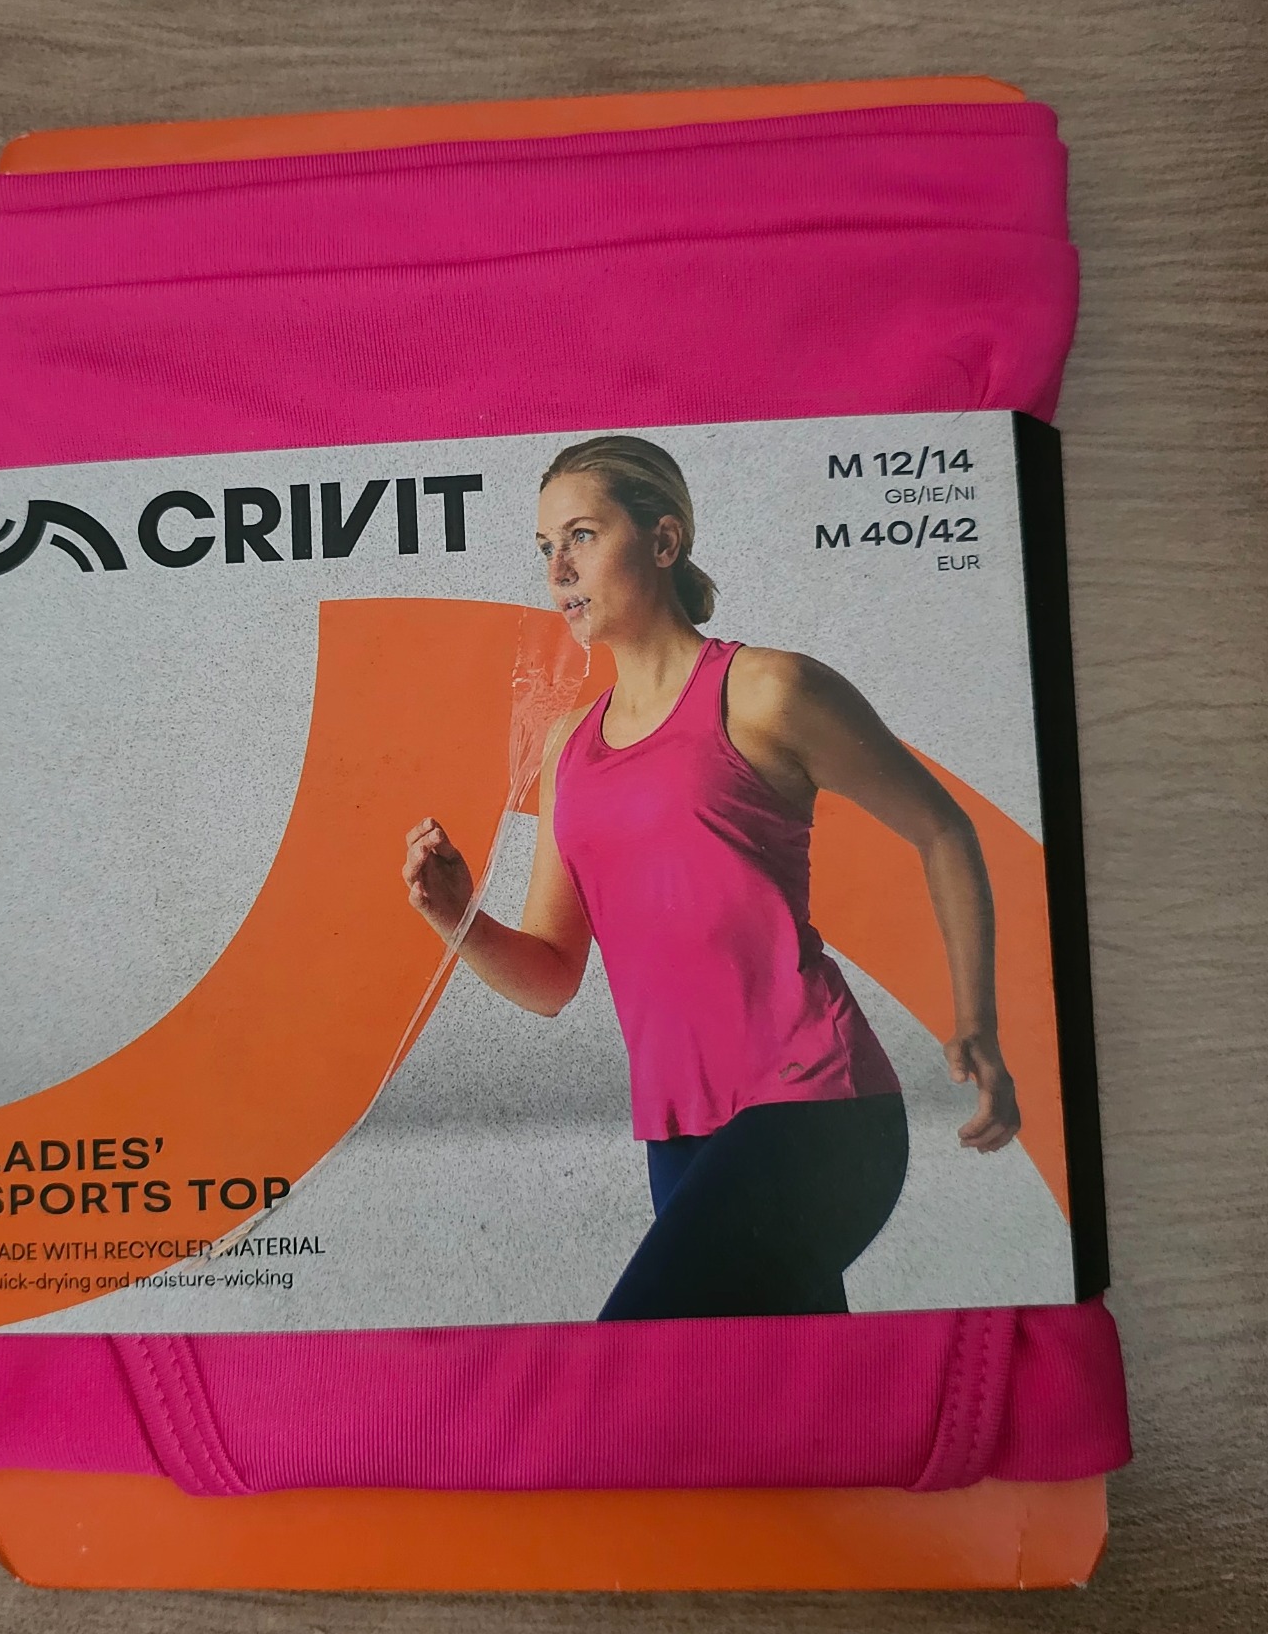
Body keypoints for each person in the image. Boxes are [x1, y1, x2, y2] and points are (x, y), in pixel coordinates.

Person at [403, 434, 1020, 1320]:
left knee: (634, 1360)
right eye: (545, 547)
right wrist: (456, 914)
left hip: (813, 1109)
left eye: (581, 536)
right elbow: (551, 976)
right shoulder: (567, 750)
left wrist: (978, 1026)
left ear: (663, 540)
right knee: (784, 1391)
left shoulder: (766, 691)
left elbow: (943, 829)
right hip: (678, 1136)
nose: (558, 569)